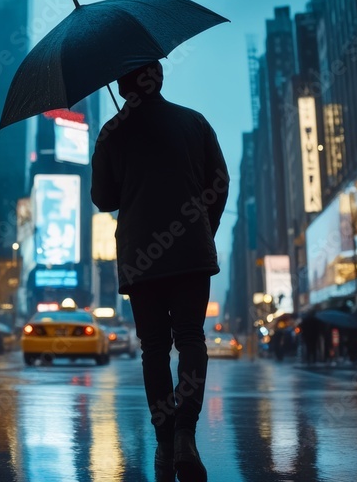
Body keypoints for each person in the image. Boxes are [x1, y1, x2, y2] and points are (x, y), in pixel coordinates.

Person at [92, 60, 227, 482]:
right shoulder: (195, 122)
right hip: (190, 249)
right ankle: (186, 433)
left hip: (141, 254)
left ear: (120, 81)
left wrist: (117, 151)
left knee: (153, 347)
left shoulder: (113, 132)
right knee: (190, 337)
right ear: (159, 77)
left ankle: (165, 438)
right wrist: (206, 227)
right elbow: (219, 182)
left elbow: (102, 198)